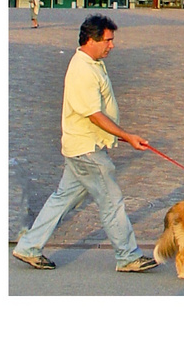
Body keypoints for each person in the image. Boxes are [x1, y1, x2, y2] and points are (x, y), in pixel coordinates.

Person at [12, 15, 158, 272]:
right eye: (108, 40)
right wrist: (128, 137)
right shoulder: (83, 69)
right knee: (111, 201)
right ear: (91, 39)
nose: (111, 45)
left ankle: (28, 247)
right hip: (86, 150)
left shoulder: (91, 62)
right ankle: (127, 256)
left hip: (80, 148)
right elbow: (94, 114)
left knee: (62, 198)